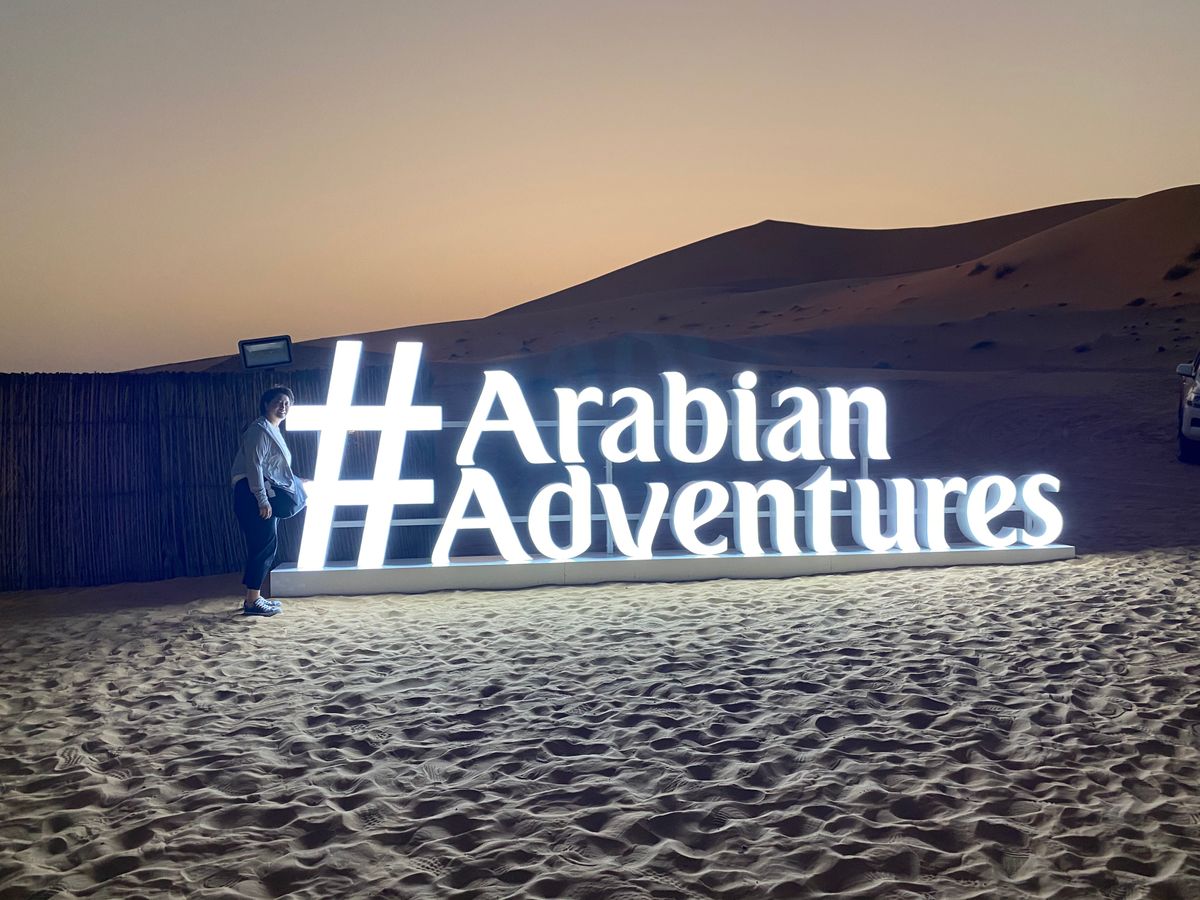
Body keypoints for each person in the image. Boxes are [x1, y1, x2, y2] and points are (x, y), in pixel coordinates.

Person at [230, 386, 307, 616]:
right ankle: (252, 601)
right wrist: (262, 499)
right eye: (278, 402)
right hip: (253, 493)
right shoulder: (260, 430)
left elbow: (272, 468)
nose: (283, 407)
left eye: (287, 403)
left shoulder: (272, 430)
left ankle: (254, 597)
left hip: (262, 492)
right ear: (266, 404)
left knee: (266, 544)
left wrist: (295, 481)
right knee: (263, 544)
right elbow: (254, 466)